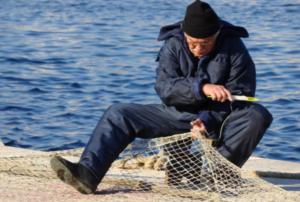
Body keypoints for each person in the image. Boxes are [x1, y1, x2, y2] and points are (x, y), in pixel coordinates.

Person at [50, 0, 273, 194]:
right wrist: (202, 87)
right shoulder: (173, 43)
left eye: (204, 44)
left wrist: (207, 119)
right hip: (176, 114)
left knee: (257, 115)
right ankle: (88, 174)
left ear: (216, 35)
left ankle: (220, 177)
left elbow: (242, 96)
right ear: (184, 35)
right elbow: (165, 88)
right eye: (192, 43)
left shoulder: (235, 47)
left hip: (219, 118)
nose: (197, 49)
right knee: (117, 113)